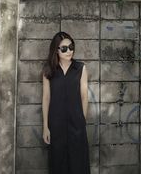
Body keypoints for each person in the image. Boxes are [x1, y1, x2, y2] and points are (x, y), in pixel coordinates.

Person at [42, 31, 91, 174]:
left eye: (71, 47)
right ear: (56, 51)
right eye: (64, 48)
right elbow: (46, 98)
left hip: (76, 124)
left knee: (78, 163)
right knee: (58, 164)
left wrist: (82, 120)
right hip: (56, 125)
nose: (69, 51)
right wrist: (46, 126)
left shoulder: (80, 68)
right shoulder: (48, 70)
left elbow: (84, 95)